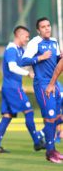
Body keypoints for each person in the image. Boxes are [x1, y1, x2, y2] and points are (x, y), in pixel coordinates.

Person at [0, 26, 44, 153]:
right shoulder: (11, 49)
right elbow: (12, 67)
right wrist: (28, 74)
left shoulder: (20, 50)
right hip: (13, 88)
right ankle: (37, 142)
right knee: (29, 111)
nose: (27, 39)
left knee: (7, 116)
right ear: (19, 35)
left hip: (10, 87)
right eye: (26, 36)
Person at [21, 17, 63, 163]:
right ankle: (50, 152)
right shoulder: (35, 43)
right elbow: (22, 61)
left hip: (55, 84)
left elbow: (57, 62)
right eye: (43, 27)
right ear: (38, 30)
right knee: (50, 117)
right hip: (43, 85)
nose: (47, 28)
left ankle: (52, 149)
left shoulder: (54, 42)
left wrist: (60, 57)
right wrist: (40, 58)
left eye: (48, 25)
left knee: (56, 117)